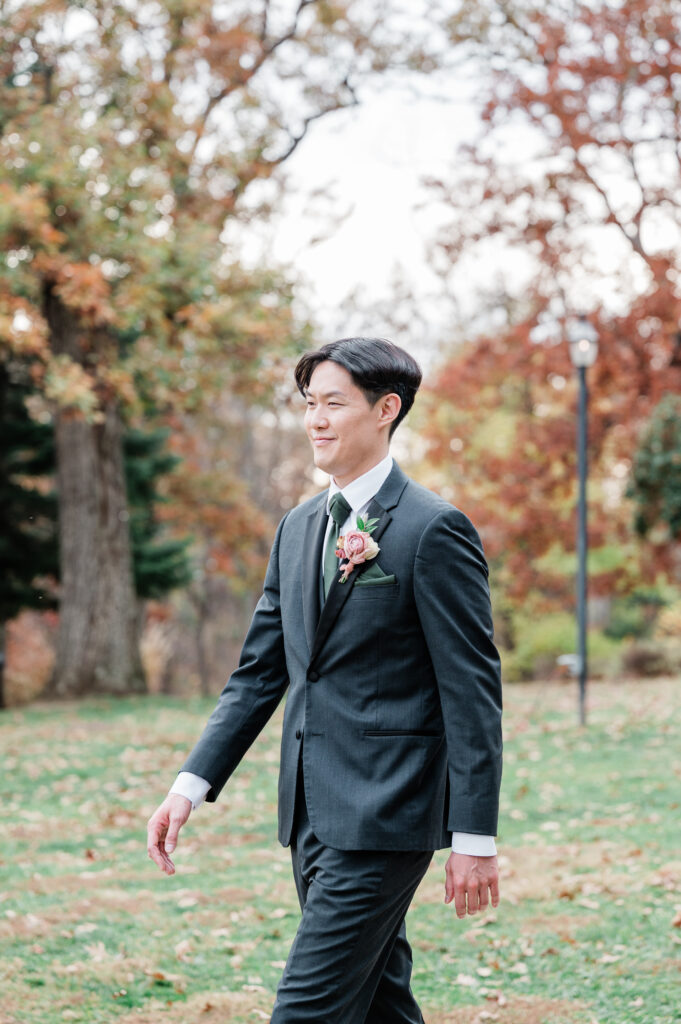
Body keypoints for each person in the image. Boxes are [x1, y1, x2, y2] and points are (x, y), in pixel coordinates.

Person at [147, 336, 503, 1024]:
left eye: (334, 404)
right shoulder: (298, 527)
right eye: (310, 403)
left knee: (306, 1012)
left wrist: (474, 837)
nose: (315, 419)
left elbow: (472, 696)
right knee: (379, 1006)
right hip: (309, 815)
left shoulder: (433, 529)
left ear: (385, 409)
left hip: (388, 815)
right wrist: (188, 786)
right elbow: (259, 674)